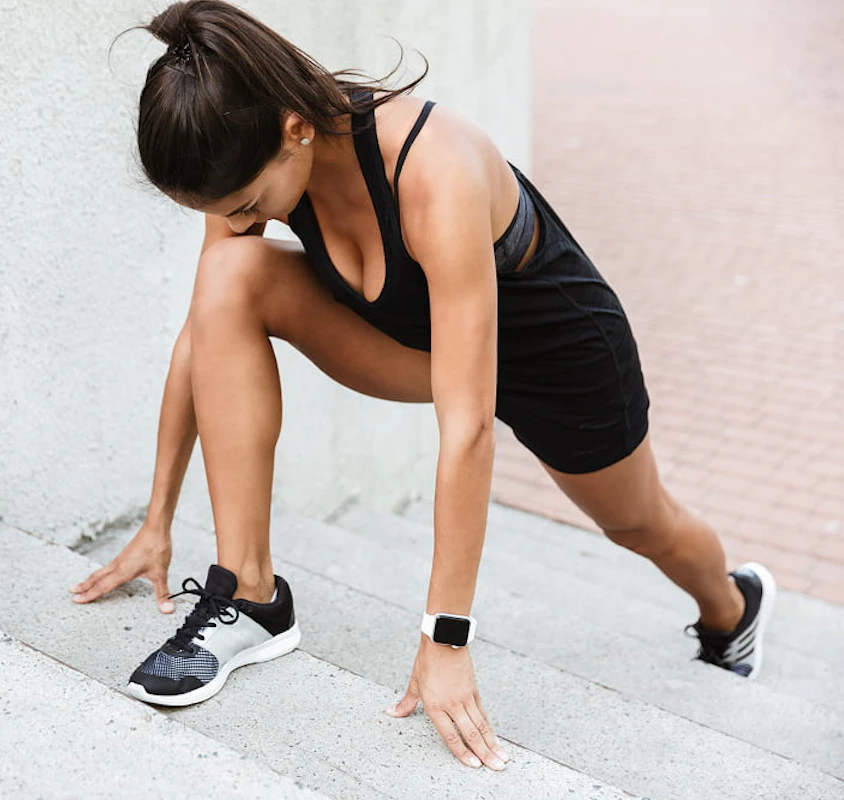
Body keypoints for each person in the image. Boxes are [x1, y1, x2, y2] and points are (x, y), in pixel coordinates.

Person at [70, 0, 776, 772]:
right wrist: (157, 517)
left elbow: (466, 427)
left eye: (244, 205)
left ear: (295, 131)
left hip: (557, 356)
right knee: (228, 273)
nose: (241, 218)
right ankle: (249, 594)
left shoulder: (432, 167)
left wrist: (446, 638)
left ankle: (732, 607)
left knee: (642, 525)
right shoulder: (253, 149)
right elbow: (205, 327)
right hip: (415, 344)